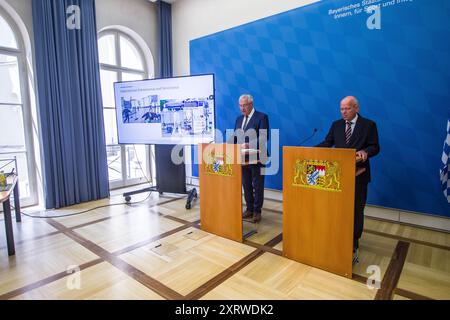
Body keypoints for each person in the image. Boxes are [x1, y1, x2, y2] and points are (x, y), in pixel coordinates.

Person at [316, 96, 380, 264]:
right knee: (338, 208)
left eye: (347, 108)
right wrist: (311, 151)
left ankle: (353, 241)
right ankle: (338, 236)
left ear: (356, 108)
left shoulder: (369, 125)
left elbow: (375, 146)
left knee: (356, 209)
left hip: (359, 174)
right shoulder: (336, 125)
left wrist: (366, 152)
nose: (344, 112)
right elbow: (328, 142)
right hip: (337, 175)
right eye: (342, 109)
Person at [231, 94, 269, 223]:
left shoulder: (262, 117)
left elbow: (264, 137)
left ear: (251, 104)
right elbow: (235, 137)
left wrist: (249, 144)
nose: (242, 108)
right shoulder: (238, 119)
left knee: (257, 185)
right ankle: (249, 209)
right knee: (246, 184)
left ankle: (257, 211)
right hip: (242, 158)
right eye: (240, 106)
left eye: (244, 105)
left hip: (257, 157)